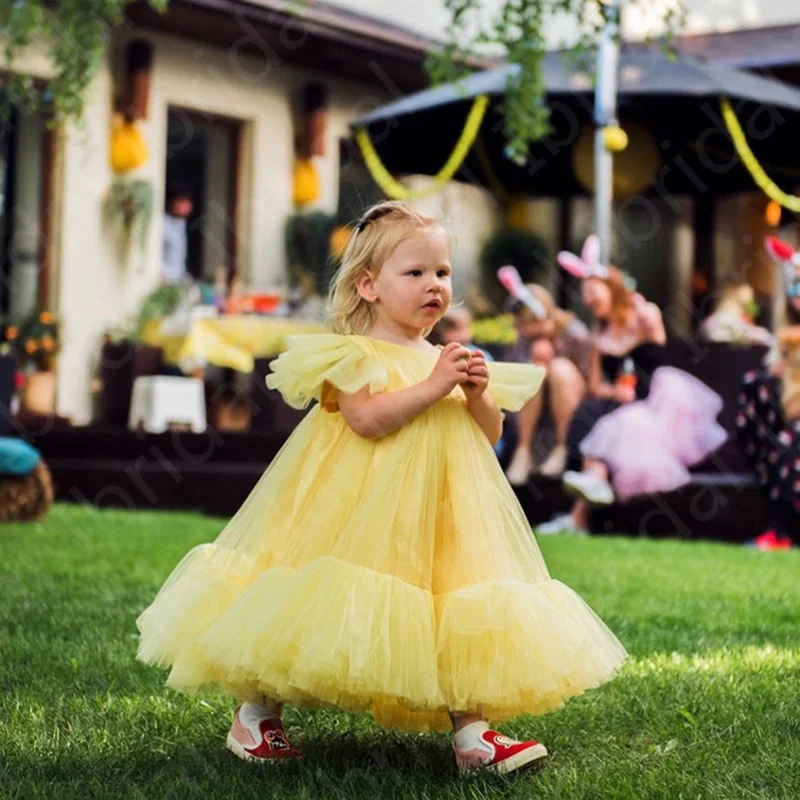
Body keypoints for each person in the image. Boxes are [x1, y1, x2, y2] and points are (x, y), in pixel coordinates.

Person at [136, 202, 627, 775]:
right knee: (305, 592)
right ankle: (256, 713)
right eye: (415, 273)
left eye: (441, 273)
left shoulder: (447, 357)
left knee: (457, 596)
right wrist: (435, 383)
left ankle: (473, 731)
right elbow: (367, 419)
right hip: (355, 504)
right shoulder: (354, 353)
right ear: (368, 285)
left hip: (444, 507)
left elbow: (491, 431)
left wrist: (473, 394)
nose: (433, 285)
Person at [538, 237, 725, 535]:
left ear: (610, 287)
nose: (587, 298)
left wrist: (631, 327)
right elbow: (597, 386)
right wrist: (616, 391)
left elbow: (655, 343)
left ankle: (581, 508)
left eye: (591, 290)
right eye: (583, 293)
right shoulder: (600, 336)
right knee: (594, 413)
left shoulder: (644, 315)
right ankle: (583, 505)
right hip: (621, 402)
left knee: (620, 424)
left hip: (655, 404)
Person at [736, 236, 800, 550]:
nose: (797, 294)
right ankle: (779, 531)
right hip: (785, 425)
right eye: (794, 287)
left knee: (790, 442)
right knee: (754, 383)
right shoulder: (785, 334)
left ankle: (780, 530)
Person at [503, 284, 590, 485]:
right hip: (532, 404)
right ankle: (523, 451)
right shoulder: (523, 340)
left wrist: (552, 360)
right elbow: (513, 377)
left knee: (557, 368)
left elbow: (586, 377)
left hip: (569, 394)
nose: (521, 329)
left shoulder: (574, 333)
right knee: (535, 371)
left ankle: (562, 448)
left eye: (525, 323)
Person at [162, 183, 194, 284]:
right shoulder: (162, 223)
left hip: (178, 278)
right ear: (172, 202)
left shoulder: (181, 223)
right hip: (164, 279)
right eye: (181, 201)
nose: (184, 206)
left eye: (187, 202)